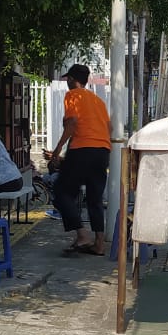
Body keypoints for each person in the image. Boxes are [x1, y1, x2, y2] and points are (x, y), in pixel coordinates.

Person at [51, 63, 111, 255]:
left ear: (71, 79)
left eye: (67, 79)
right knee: (95, 198)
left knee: (61, 192)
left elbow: (72, 124)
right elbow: (108, 128)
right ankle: (99, 244)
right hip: (102, 151)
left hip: (82, 149)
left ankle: (82, 235)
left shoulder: (72, 95)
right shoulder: (98, 101)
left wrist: (57, 150)